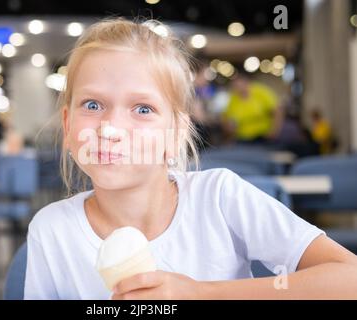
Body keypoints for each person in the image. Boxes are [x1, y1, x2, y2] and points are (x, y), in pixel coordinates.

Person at [24, 18, 357, 300]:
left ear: (176, 132)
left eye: (143, 109)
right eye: (93, 105)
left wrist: (203, 293)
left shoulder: (221, 198)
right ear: (68, 125)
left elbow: (349, 277)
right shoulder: (52, 230)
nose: (110, 129)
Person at [222, 72, 283, 144]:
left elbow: (277, 111)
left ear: (246, 82)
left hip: (262, 135)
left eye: (238, 84)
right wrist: (229, 129)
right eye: (235, 86)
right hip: (242, 136)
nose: (237, 88)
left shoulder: (260, 92)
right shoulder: (233, 97)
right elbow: (226, 116)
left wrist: (274, 130)